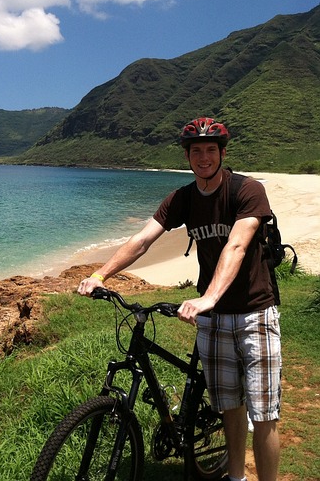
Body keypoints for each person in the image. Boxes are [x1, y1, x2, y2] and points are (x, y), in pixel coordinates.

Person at [78, 117, 282, 481]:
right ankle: (235, 477)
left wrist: (209, 297)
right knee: (231, 408)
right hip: (215, 319)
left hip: (255, 312)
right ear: (188, 157)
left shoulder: (247, 191)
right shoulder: (183, 199)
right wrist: (99, 274)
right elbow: (142, 240)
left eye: (210, 150)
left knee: (264, 413)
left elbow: (236, 244)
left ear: (222, 153)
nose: (204, 157)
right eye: (196, 151)